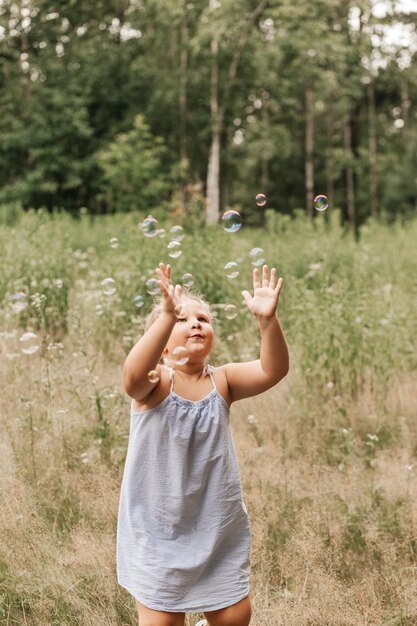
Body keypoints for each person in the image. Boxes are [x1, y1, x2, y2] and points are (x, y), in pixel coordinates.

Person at [117, 262, 289, 626]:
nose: (194, 323)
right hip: (158, 527)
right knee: (162, 622)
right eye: (182, 319)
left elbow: (272, 370)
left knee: (234, 617)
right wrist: (165, 314)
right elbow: (132, 377)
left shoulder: (223, 381)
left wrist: (268, 322)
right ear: (161, 349)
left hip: (214, 523)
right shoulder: (156, 384)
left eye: (203, 319)